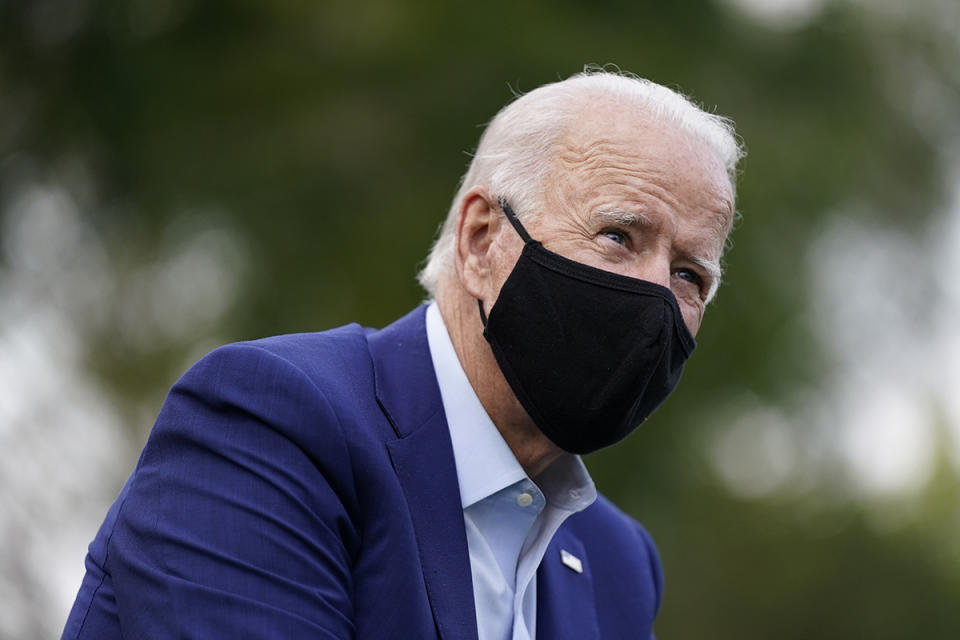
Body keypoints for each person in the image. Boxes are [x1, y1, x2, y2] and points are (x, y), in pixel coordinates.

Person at [62, 69, 743, 640]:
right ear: (482, 240)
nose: (655, 294)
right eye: (620, 235)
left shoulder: (616, 561)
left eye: (690, 276)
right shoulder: (274, 426)